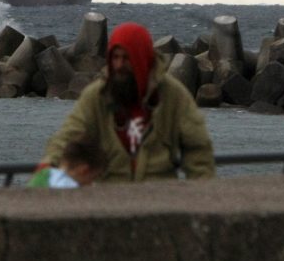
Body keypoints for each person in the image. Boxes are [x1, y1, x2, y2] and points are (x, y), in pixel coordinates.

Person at [40, 22, 215, 182]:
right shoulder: (97, 95)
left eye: (126, 58)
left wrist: (202, 194)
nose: (119, 65)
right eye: (115, 57)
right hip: (111, 200)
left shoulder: (172, 95)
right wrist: (47, 168)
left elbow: (198, 148)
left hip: (159, 199)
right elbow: (69, 135)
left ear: (141, 58)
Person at [28, 135, 107, 188]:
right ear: (83, 170)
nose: (91, 184)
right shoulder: (70, 190)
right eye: (93, 178)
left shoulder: (43, 174)